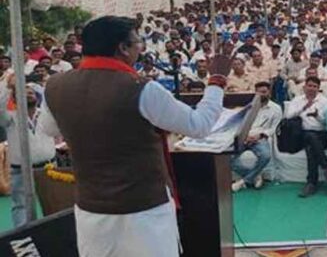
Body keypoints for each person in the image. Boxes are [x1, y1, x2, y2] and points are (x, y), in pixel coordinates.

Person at [37, 16, 230, 257]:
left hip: (91, 210)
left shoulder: (55, 86)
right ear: (123, 48)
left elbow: (49, 129)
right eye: (138, 42)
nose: (141, 48)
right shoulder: (140, 88)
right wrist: (217, 81)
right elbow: (199, 125)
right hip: (144, 212)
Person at [0, 79, 55, 227]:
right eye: (23, 92)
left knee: (52, 203)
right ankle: (24, 236)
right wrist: (7, 86)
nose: (28, 94)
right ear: (14, 98)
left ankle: (53, 234)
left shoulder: (46, 115)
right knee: (21, 206)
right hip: (21, 170)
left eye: (31, 92)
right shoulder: (9, 118)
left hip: (49, 167)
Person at [286, 76, 327, 198]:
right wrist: (303, 108)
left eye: (315, 86)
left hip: (321, 134)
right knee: (309, 137)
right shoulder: (297, 100)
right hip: (301, 134)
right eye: (310, 86)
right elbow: (288, 116)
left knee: (311, 148)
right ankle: (326, 166)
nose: (312, 88)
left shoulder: (325, 102)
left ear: (318, 88)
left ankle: (311, 183)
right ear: (304, 87)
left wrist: (317, 116)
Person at [231, 82, 281, 192]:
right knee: (227, 159)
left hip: (260, 138)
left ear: (269, 93)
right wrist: (244, 136)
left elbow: (274, 128)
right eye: (258, 92)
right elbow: (238, 124)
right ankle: (255, 176)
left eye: (264, 92)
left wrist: (260, 135)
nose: (261, 95)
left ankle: (243, 181)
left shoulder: (276, 108)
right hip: (244, 137)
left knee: (265, 156)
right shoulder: (248, 106)